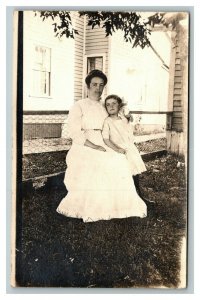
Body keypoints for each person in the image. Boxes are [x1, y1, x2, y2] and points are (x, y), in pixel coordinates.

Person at [56, 70, 147, 222]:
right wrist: (93, 146)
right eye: (94, 84)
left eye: (101, 85)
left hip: (104, 141)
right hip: (85, 144)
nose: (98, 88)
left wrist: (126, 116)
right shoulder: (79, 105)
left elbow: (116, 117)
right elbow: (75, 133)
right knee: (98, 164)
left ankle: (121, 204)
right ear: (87, 86)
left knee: (119, 159)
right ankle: (96, 206)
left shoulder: (104, 105)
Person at [102, 94, 154, 205]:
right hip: (116, 150)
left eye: (114, 103)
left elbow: (128, 132)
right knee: (123, 175)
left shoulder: (123, 118)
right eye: (108, 105)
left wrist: (128, 116)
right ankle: (123, 200)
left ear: (119, 105)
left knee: (134, 173)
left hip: (129, 148)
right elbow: (106, 139)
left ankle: (139, 195)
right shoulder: (107, 121)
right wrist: (117, 149)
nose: (111, 106)